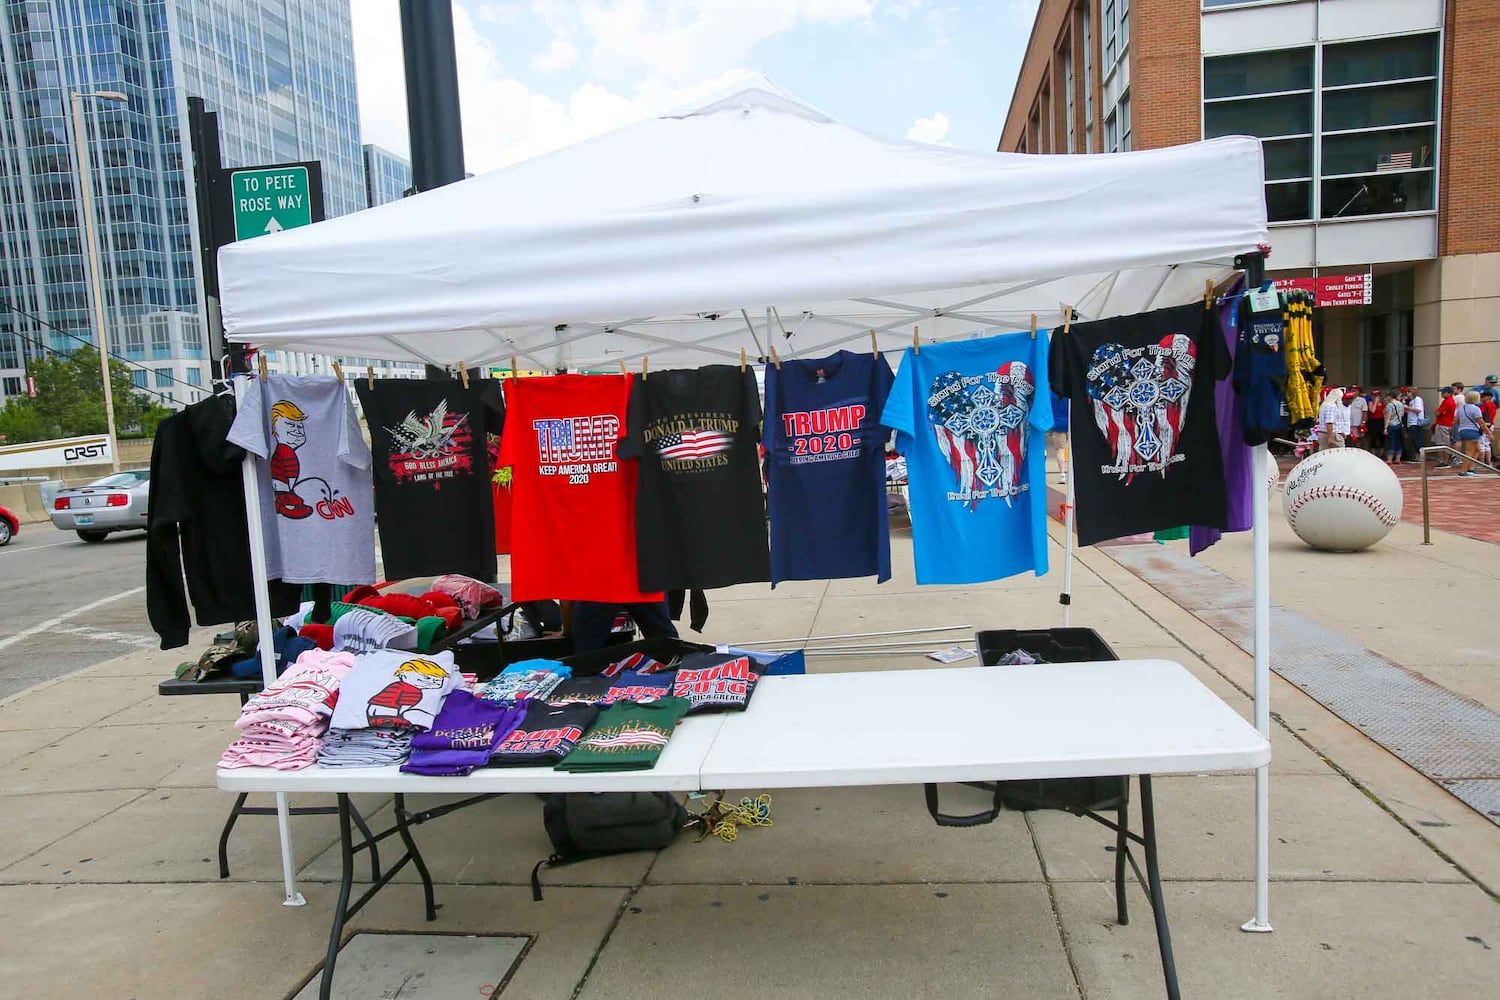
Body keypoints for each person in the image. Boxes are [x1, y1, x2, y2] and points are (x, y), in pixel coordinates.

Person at [570, 599, 678, 654]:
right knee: (666, 641)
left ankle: (585, 685)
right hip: (642, 569)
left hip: (601, 571)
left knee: (586, 650)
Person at [1454, 390, 1491, 477]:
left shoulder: (1461, 408)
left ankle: (1471, 468)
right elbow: (1481, 422)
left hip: (1462, 430)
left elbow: (1456, 420)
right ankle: (1464, 470)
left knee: (1478, 449)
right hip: (1472, 431)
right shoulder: (1475, 409)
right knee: (1469, 452)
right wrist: (1489, 433)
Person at [1433, 386, 1456, 466]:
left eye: (1443, 392)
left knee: (1444, 443)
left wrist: (1436, 411)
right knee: (1444, 443)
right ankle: (1444, 461)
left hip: (1443, 424)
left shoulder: (1447, 401)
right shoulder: (1450, 401)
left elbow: (1437, 413)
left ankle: (1445, 461)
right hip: (1447, 423)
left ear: (1449, 393)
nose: (1442, 394)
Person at [1382, 389, 1405, 465]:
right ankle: (1398, 458)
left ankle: (1389, 459)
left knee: (1391, 442)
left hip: (1392, 425)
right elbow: (1402, 415)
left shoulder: (1390, 405)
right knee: (1398, 442)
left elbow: (1387, 417)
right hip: (1399, 424)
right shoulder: (1400, 404)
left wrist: (1385, 428)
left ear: (1391, 396)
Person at [1404, 388, 1427, 463]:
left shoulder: (1417, 399)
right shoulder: (1412, 401)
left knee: (1417, 439)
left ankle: (1420, 456)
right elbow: (1411, 412)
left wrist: (1408, 408)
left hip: (1416, 422)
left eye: (1408, 392)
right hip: (1411, 422)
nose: (1407, 393)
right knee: (1413, 440)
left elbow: (1418, 410)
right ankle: (1416, 456)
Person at [1366, 389, 1386, 454]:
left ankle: (1381, 453)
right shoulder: (1371, 403)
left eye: (1378, 396)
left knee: (1381, 438)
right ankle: (1373, 452)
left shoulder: (1383, 403)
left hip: (1381, 421)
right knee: (1373, 437)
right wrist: (1375, 403)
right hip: (1373, 421)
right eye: (1374, 396)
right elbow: (1372, 411)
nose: (1376, 397)